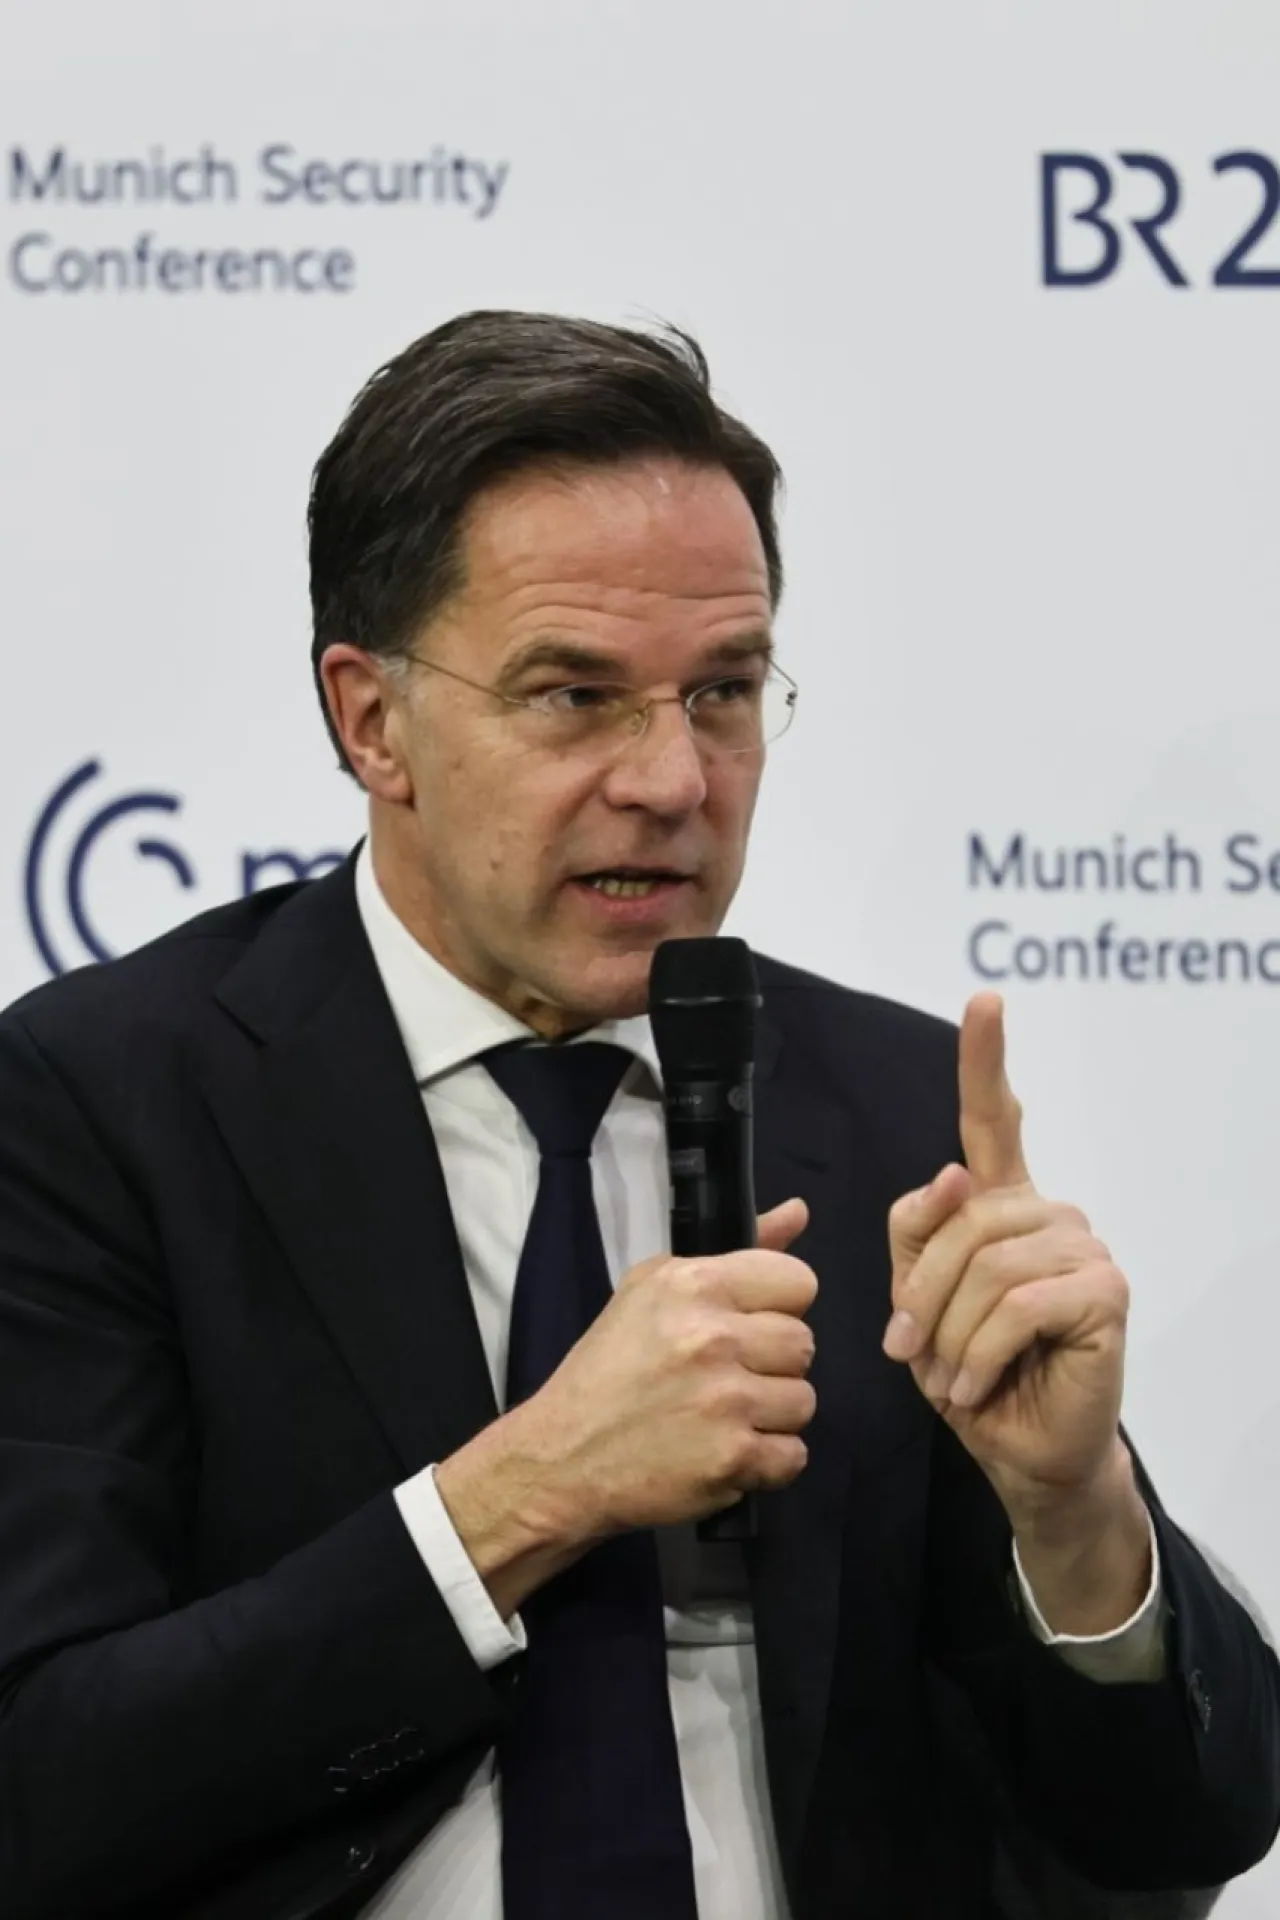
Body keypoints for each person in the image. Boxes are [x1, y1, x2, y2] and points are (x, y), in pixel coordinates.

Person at [0, 312, 1274, 1920]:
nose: (674, 781)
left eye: (723, 691)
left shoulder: (891, 1109)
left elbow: (1180, 1830)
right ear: (372, 720)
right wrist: (521, 1496)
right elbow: (38, 1785)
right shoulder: (104, 1103)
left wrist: (1075, 1516)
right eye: (573, 695)